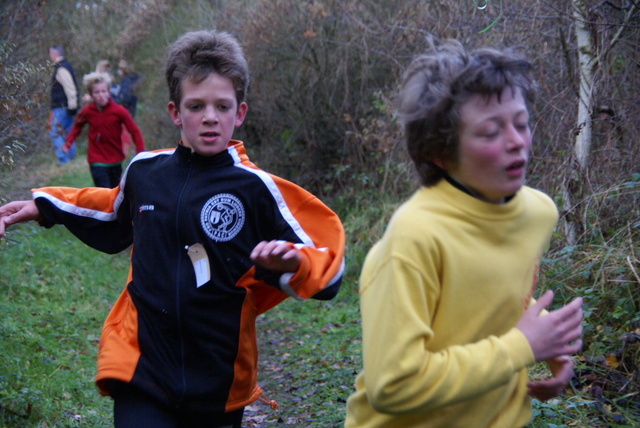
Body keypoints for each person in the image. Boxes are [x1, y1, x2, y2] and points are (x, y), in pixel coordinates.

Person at [0, 30, 345, 428]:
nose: (210, 117)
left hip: (219, 380)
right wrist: (42, 205)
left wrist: (292, 263)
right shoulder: (146, 171)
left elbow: (329, 261)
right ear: (175, 112)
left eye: (222, 105)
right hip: (141, 368)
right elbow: (112, 214)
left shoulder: (259, 190)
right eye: (196, 106)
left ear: (241, 112)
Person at [344, 39, 583, 428]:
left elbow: (493, 289)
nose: (517, 141)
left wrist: (544, 340)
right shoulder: (414, 238)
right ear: (440, 152)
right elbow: (393, 385)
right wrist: (521, 346)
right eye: (491, 132)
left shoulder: (539, 212)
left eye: (521, 123)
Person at [62, 72, 145, 188]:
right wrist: (68, 142)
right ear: (91, 95)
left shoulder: (119, 111)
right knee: (103, 192)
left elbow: (134, 130)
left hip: (115, 159)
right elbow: (77, 126)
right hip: (96, 159)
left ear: (109, 92)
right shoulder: (87, 111)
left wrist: (140, 152)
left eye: (104, 91)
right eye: (97, 92)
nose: (101, 95)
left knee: (115, 192)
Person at [48, 45, 79, 165]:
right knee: (68, 132)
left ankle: (64, 159)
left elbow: (70, 88)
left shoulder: (61, 68)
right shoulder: (65, 66)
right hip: (66, 106)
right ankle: (70, 157)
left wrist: (73, 106)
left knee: (54, 132)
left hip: (61, 107)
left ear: (53, 54)